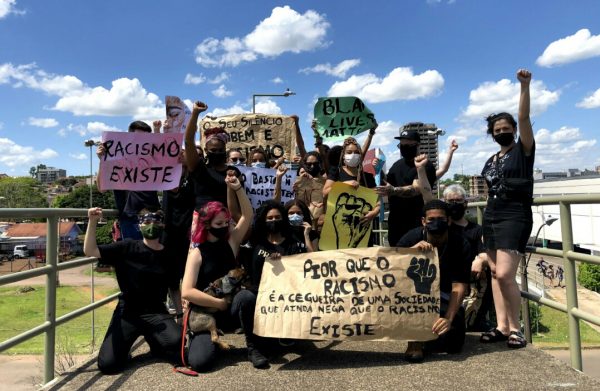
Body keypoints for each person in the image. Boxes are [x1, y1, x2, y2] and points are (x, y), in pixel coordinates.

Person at [181, 174, 268, 370]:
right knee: (200, 363)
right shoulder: (196, 253)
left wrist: (237, 189)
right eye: (218, 224)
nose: (224, 227)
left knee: (246, 296)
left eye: (225, 222)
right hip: (207, 310)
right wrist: (218, 303)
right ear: (206, 225)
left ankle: (253, 347)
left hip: (232, 307)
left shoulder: (232, 241)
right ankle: (210, 339)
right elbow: (187, 291)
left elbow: (247, 215)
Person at [84, 208, 181, 374]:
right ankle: (127, 347)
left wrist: (180, 314)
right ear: (140, 225)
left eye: (156, 222)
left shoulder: (168, 254)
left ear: (162, 225)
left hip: (156, 312)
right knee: (108, 365)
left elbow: (174, 288)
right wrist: (92, 222)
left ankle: (154, 341)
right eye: (147, 222)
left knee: (175, 344)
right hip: (127, 312)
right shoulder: (126, 247)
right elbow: (90, 251)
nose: (151, 225)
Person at [479, 69, 535, 349]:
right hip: (492, 216)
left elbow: (524, 117)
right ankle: (501, 326)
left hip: (515, 215)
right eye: (497, 130)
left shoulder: (523, 150)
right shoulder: (491, 159)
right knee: (493, 273)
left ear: (513, 129)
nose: (502, 132)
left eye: (506, 128)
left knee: (504, 274)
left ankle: (516, 327)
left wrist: (524, 86)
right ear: (492, 134)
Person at [396, 200, 471, 362]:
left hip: (444, 294)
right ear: (423, 221)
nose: (436, 223)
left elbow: (459, 285)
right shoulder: (411, 238)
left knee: (453, 346)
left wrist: (449, 319)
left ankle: (433, 332)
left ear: (449, 221)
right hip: (414, 294)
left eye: (441, 219)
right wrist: (409, 253)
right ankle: (415, 341)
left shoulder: (461, 244)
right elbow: (392, 269)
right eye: (431, 220)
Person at [96, 121, 160, 240]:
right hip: (129, 218)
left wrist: (158, 132)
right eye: (138, 138)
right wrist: (102, 160)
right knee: (133, 256)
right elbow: (102, 188)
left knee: (154, 256)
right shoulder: (117, 160)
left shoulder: (151, 161)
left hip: (153, 217)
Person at [443, 184, 493, 331]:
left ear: (465, 204)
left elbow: (485, 251)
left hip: (470, 279)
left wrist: (480, 259)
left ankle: (477, 319)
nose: (454, 205)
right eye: (450, 201)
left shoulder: (476, 230)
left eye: (458, 201)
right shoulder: (441, 228)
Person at [375, 129, 437, 246]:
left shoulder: (424, 165)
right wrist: (378, 172)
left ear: (418, 145)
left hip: (416, 225)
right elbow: (387, 185)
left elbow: (416, 189)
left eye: (408, 145)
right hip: (395, 225)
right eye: (402, 145)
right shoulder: (396, 165)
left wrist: (393, 190)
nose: (404, 148)